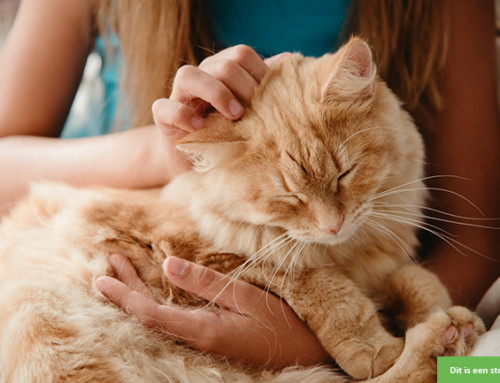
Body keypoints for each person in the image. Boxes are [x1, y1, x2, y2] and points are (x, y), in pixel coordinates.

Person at [1, 0, 499, 369]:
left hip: (335, 315)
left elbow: (479, 235)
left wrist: (316, 342)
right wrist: (165, 153)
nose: (331, 223)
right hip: (102, 231)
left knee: (482, 372)